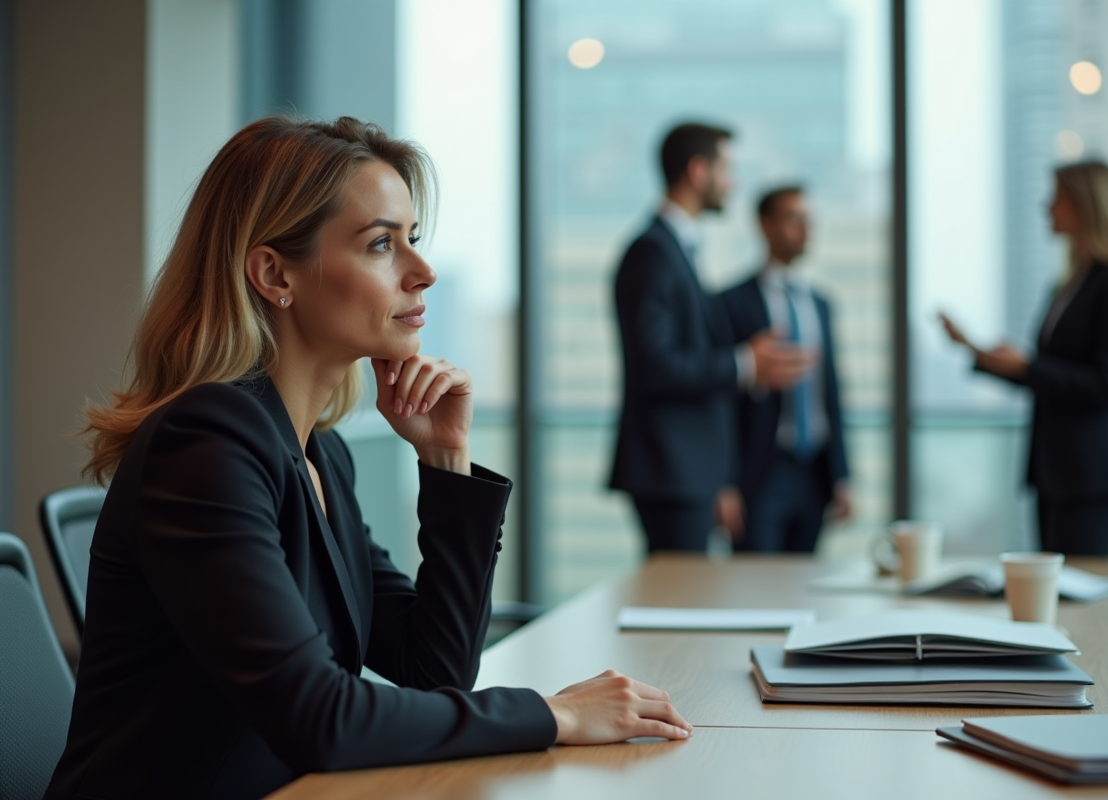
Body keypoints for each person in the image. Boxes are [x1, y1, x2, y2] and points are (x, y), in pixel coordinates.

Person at [45, 116, 690, 800]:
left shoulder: (316, 451)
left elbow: (431, 670)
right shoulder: (206, 443)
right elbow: (321, 719)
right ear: (274, 274)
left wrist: (446, 460)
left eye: (412, 239)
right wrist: (554, 713)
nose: (423, 271)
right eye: (382, 244)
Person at [609, 123, 810, 552]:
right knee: (675, 603)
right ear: (699, 172)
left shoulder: (677, 248)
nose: (733, 182)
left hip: (687, 472)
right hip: (670, 472)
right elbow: (656, 365)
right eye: (728, 169)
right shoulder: (653, 252)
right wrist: (746, 364)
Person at [939, 161, 1108, 556]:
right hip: (1058, 467)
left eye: (1057, 199)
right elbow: (1046, 375)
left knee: (1075, 589)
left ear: (1086, 206)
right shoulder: (1069, 283)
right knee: (1051, 585)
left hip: (1094, 470)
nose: (1046, 207)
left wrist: (1027, 366)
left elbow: (1107, 383)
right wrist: (975, 350)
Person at [720, 186, 851, 553]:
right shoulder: (731, 303)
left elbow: (832, 394)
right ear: (765, 225)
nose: (806, 230)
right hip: (760, 471)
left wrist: (842, 475)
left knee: (803, 585)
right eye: (794, 219)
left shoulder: (821, 304)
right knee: (754, 591)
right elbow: (723, 402)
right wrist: (725, 483)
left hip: (814, 472)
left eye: (809, 221)